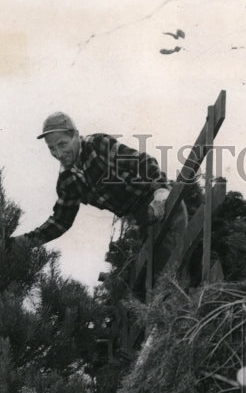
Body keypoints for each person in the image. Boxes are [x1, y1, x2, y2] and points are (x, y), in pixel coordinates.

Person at [14, 112, 188, 274]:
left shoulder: (97, 145)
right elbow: (60, 222)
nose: (59, 153)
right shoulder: (67, 181)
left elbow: (142, 162)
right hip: (143, 221)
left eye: (62, 144)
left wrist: (160, 190)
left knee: (175, 268)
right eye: (52, 148)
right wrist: (20, 243)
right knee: (155, 277)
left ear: (75, 135)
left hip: (163, 203)